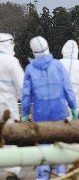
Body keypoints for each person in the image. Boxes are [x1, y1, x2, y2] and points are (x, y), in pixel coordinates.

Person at [21, 36, 77, 180]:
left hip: (41, 114)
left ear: (33, 52)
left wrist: (25, 114)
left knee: (44, 148)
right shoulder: (57, 65)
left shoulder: (30, 69)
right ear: (48, 47)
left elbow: (26, 95)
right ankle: (61, 174)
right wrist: (74, 107)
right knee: (60, 146)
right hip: (59, 112)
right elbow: (67, 88)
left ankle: (43, 176)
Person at [0, 33, 24, 180]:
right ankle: (12, 173)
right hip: (7, 109)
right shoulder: (11, 61)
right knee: (10, 140)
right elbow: (22, 88)